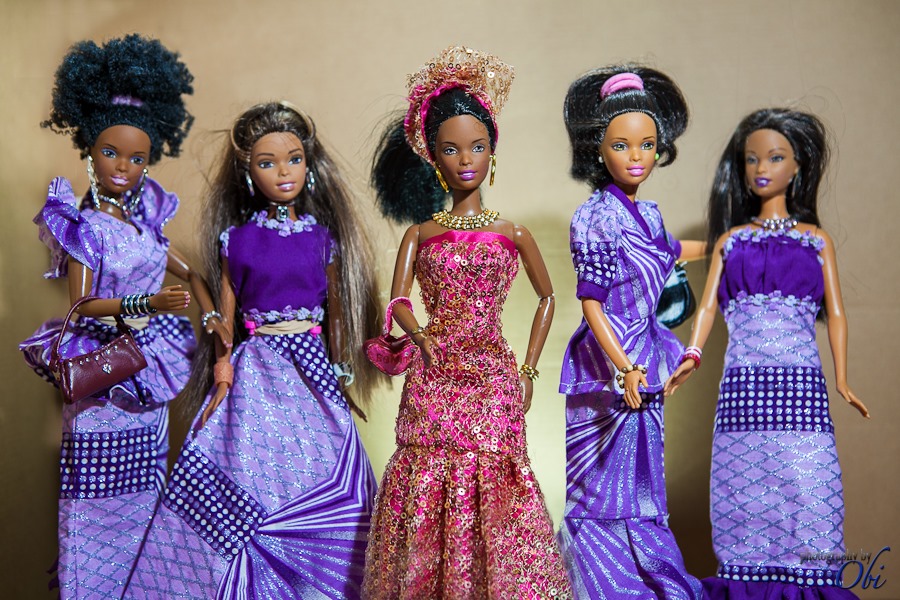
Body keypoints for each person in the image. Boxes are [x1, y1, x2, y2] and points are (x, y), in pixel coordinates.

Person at [123, 101, 384, 599]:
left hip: (312, 368)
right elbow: (224, 321)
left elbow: (336, 314)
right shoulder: (236, 241)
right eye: (268, 163)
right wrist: (222, 372)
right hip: (256, 369)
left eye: (294, 159)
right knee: (244, 466)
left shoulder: (322, 239)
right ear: (248, 173)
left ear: (308, 166)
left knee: (328, 464)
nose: (283, 172)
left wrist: (342, 371)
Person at [17, 34, 223, 599]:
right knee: (93, 505)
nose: (124, 167)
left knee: (147, 497)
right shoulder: (85, 227)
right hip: (105, 374)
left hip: (147, 376)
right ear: (89, 150)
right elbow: (81, 307)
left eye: (137, 159)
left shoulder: (145, 227)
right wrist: (146, 304)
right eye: (112, 153)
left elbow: (193, 275)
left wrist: (212, 319)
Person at [363, 46, 571, 599]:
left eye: (477, 146)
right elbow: (397, 300)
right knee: (425, 483)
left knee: (498, 481)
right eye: (451, 149)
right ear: (434, 158)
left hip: (493, 374)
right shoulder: (421, 234)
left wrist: (528, 371)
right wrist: (418, 333)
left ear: (492, 151)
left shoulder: (513, 233)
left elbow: (548, 298)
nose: (465, 160)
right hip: (434, 375)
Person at [665, 108, 869, 599]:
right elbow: (707, 309)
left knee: (811, 492)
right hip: (743, 393)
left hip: (802, 391)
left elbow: (837, 313)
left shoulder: (815, 241)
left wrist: (842, 379)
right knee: (743, 498)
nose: (761, 168)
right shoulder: (731, 242)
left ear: (798, 167)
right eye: (752, 159)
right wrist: (691, 354)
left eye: (775, 157)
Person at [558, 65, 704, 599]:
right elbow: (591, 302)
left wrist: (725, 244)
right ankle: (604, 585)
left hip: (647, 353)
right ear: (600, 151)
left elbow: (669, 253)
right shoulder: (595, 217)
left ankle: (651, 580)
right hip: (606, 364)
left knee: (644, 484)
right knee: (601, 489)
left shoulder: (652, 214)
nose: (636, 156)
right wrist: (623, 367)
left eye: (646, 145)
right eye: (621, 146)